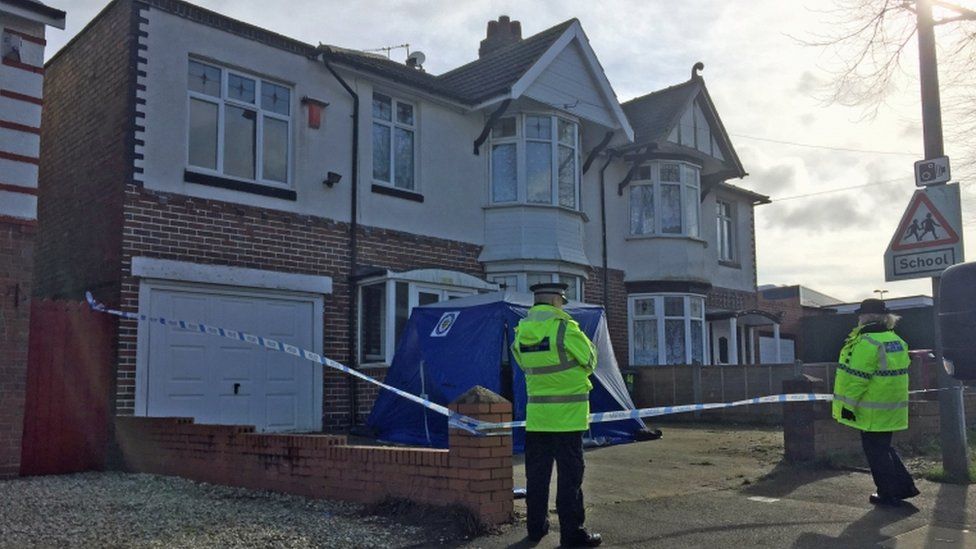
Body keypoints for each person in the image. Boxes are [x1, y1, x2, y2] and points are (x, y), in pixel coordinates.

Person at [511, 282, 602, 547]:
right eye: (562, 300)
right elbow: (591, 360)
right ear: (555, 301)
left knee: (537, 477)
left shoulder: (521, 333)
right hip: (568, 419)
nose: (563, 305)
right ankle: (572, 535)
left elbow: (526, 368)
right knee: (569, 479)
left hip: (538, 419)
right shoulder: (565, 328)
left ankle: (537, 528)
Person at [832, 298, 919, 506]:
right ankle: (904, 487)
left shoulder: (866, 343)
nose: (858, 318)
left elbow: (857, 379)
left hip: (871, 409)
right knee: (884, 448)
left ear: (866, 317)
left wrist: (848, 407)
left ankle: (887, 493)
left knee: (876, 452)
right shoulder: (896, 340)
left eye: (860, 315)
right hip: (891, 406)